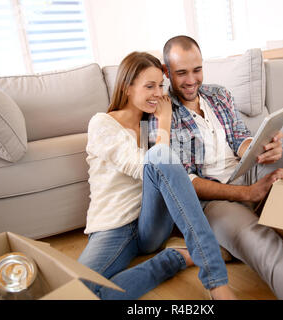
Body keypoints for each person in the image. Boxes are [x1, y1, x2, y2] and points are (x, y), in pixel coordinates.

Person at [148, 35, 283, 299]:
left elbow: (241, 138)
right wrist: (248, 193)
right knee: (263, 245)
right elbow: (185, 183)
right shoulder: (162, 114)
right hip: (214, 201)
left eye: (197, 70)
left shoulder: (218, 94)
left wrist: (263, 147)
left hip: (247, 172)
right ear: (166, 72)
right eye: (182, 73)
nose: (192, 80)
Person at [77, 51, 236, 300]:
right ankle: (174, 259)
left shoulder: (147, 126)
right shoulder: (101, 124)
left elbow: (168, 173)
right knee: (78, 292)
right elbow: (141, 167)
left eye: (161, 85)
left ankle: (215, 280)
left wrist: (161, 124)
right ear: (127, 88)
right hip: (113, 227)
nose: (159, 93)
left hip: (151, 225)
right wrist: (164, 121)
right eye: (149, 86)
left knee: (163, 156)